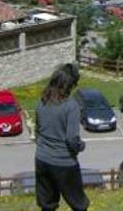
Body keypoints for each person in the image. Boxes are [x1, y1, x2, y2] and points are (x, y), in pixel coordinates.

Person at [34, 63, 89, 211]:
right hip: (64, 162)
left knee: (47, 204)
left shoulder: (41, 101)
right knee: (79, 204)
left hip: (42, 159)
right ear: (70, 85)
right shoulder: (71, 106)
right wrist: (80, 146)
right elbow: (72, 139)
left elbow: (37, 131)